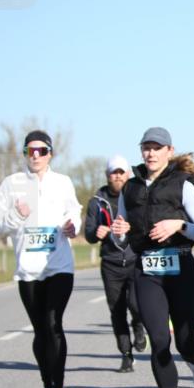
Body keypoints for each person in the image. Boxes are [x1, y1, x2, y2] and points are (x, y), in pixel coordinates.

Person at [111, 127, 194, 388]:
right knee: (159, 340)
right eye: (146, 147)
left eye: (157, 148)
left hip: (181, 268)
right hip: (147, 271)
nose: (151, 153)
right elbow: (121, 239)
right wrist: (119, 232)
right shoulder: (129, 188)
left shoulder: (182, 184)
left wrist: (178, 224)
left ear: (169, 151)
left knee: (185, 342)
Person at [0, 130, 82, 388]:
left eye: (41, 150)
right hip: (28, 270)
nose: (36, 155)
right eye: (30, 150)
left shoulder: (62, 182)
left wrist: (72, 225)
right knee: (41, 329)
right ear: (25, 154)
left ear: (50, 153)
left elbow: (74, 211)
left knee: (54, 323)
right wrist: (16, 216)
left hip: (59, 266)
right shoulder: (11, 184)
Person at [83, 155, 147, 373]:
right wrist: (96, 232)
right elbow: (89, 235)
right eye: (114, 172)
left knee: (137, 305)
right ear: (107, 175)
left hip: (134, 259)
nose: (118, 176)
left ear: (128, 174)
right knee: (116, 310)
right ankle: (126, 355)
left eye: (122, 172)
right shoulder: (96, 201)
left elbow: (145, 225)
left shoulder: (136, 196)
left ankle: (138, 325)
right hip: (110, 263)